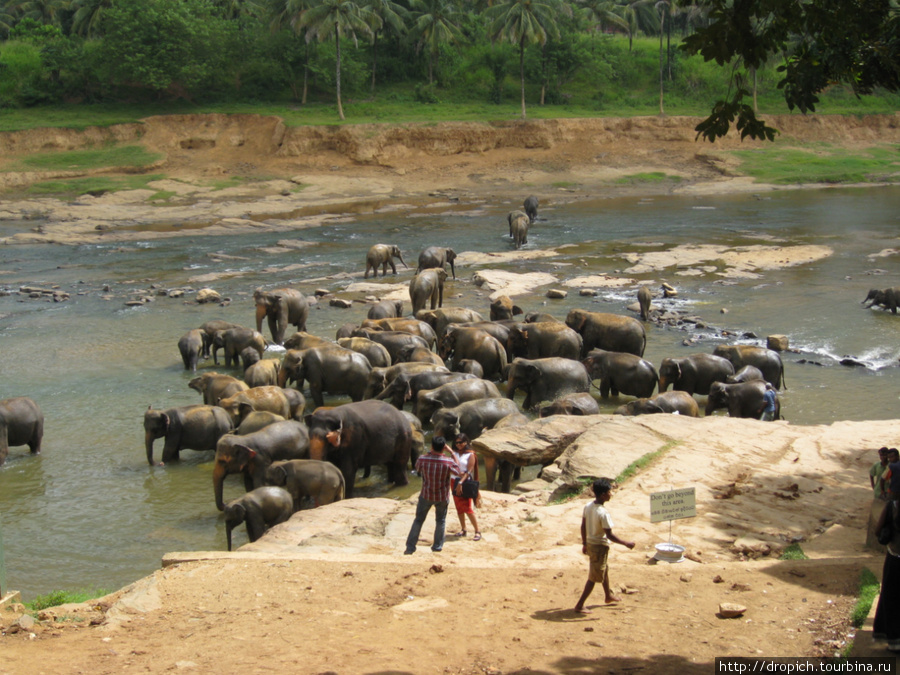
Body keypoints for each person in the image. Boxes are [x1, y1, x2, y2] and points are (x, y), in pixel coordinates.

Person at [574, 478, 635, 614]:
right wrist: (626, 543)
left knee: (603, 570)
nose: (611, 494)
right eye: (609, 492)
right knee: (594, 577)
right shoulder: (603, 513)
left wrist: (584, 543)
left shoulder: (588, 506)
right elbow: (609, 535)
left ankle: (608, 595)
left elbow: (583, 526)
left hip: (590, 544)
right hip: (599, 547)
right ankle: (579, 605)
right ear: (603, 495)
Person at [404, 436, 460, 555]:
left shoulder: (423, 459)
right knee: (440, 521)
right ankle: (437, 547)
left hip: (426, 495)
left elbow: (417, 469)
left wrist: (429, 453)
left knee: (418, 520)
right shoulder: (448, 461)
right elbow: (458, 471)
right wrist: (451, 452)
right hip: (442, 497)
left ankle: (410, 547)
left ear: (432, 446)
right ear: (443, 448)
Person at [873, 469, 900, 651]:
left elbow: (878, 530)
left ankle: (894, 640)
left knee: (892, 597)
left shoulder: (893, 506)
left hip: (895, 557)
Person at [450, 433, 481, 541]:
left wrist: (460, 483)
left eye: (460, 442)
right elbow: (451, 467)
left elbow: (469, 471)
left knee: (467, 508)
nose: (458, 444)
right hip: (453, 480)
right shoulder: (454, 454)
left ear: (466, 442)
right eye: (456, 442)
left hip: (465, 483)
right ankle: (463, 529)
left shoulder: (470, 454)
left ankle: (477, 531)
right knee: (459, 507)